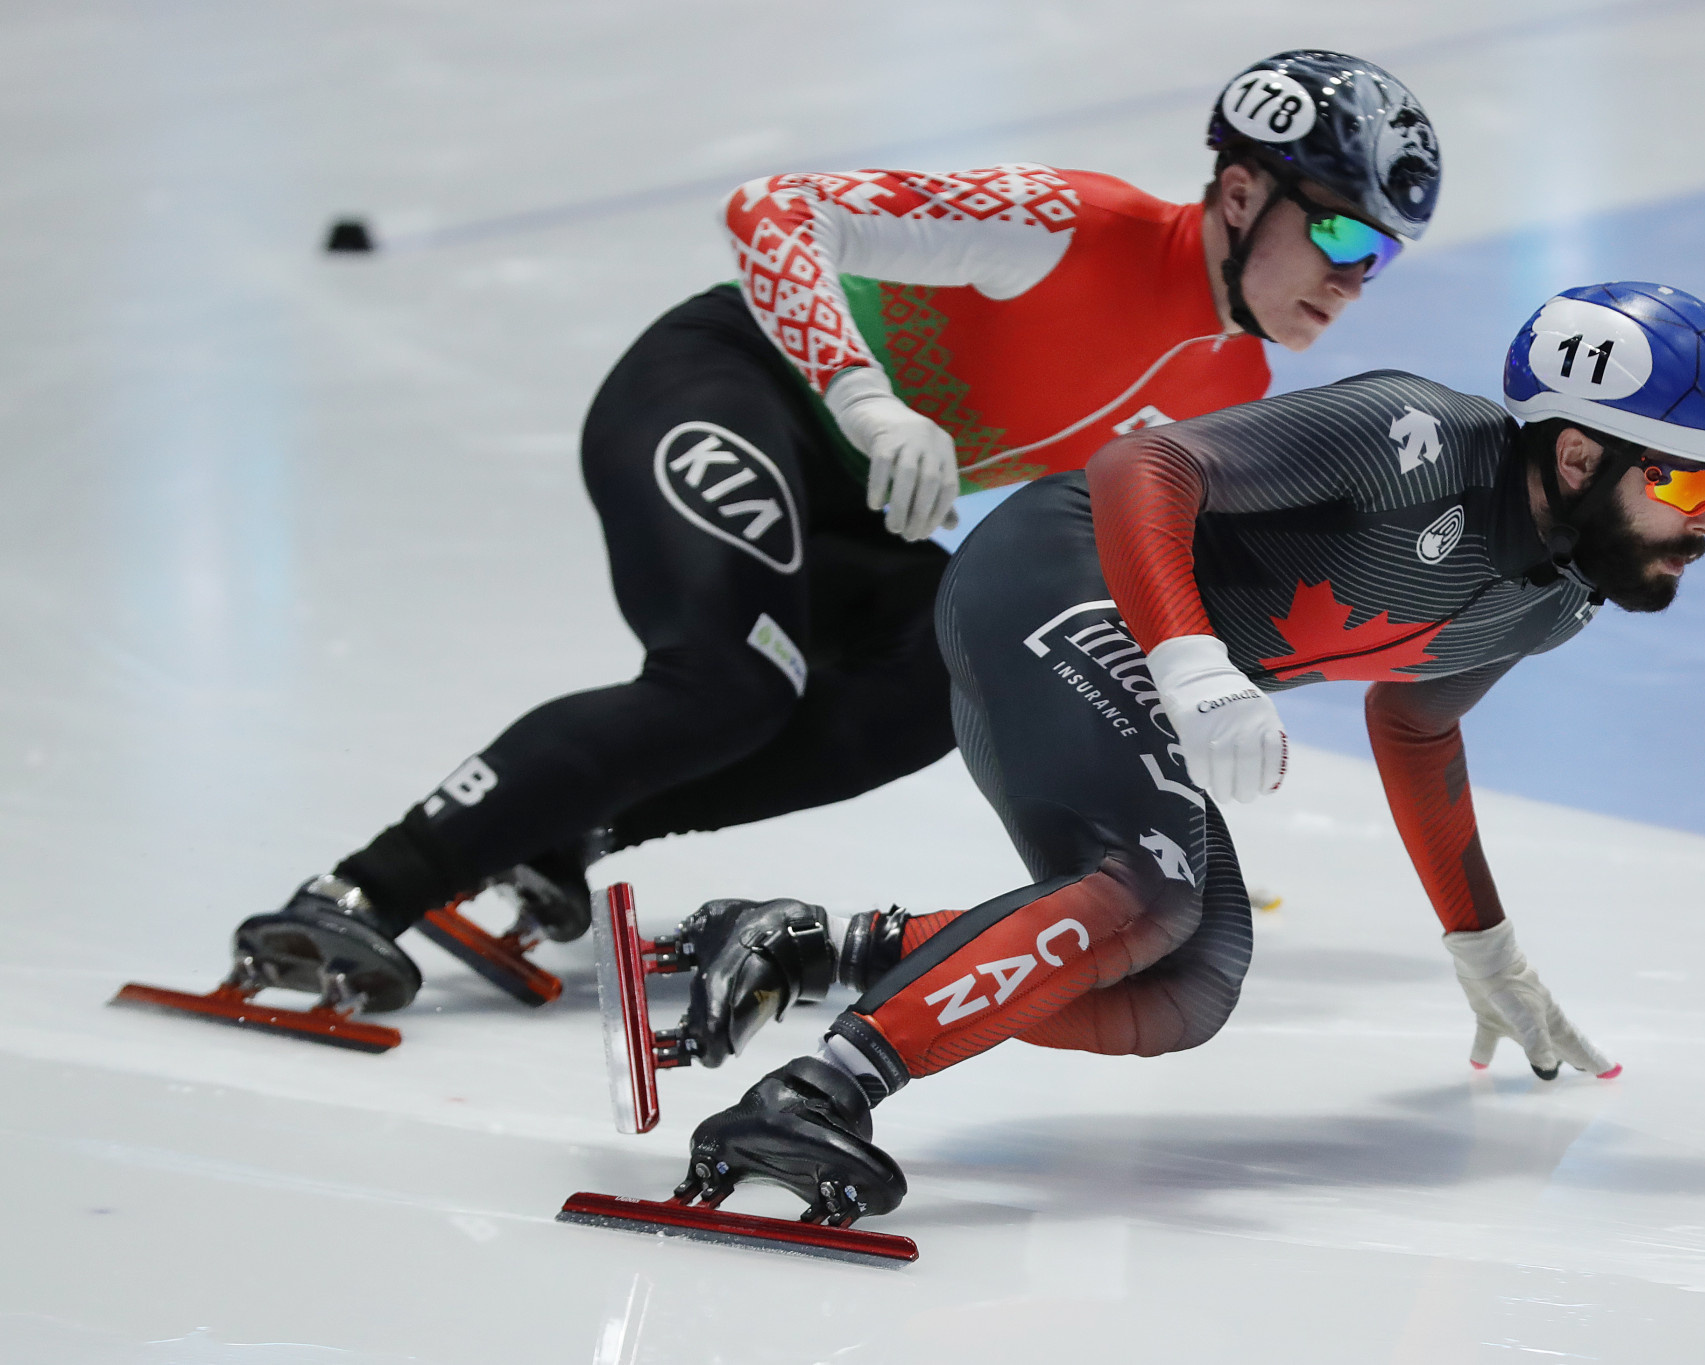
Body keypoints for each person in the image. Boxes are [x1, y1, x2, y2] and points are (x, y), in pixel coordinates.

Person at [217, 52, 1444, 1019]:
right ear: (1237, 192)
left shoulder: (1231, 381)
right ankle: (358, 891)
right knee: (728, 685)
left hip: (863, 502)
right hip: (732, 387)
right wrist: (863, 394)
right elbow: (773, 210)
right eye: (1338, 231)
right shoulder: (1077, 226)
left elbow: (1115, 566)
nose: (1352, 277)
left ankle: (572, 823)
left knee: (939, 683)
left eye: (1380, 258)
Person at [660, 281, 1705, 1226]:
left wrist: (1484, 946)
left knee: (1186, 985)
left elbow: (1415, 726)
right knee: (1148, 889)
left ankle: (814, 948)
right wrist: (1190, 664)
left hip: (1125, 644)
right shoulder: (1412, 436)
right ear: (1577, 452)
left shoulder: (1555, 604)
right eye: (1686, 485)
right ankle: (814, 1095)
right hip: (1055, 569)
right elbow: (1144, 466)